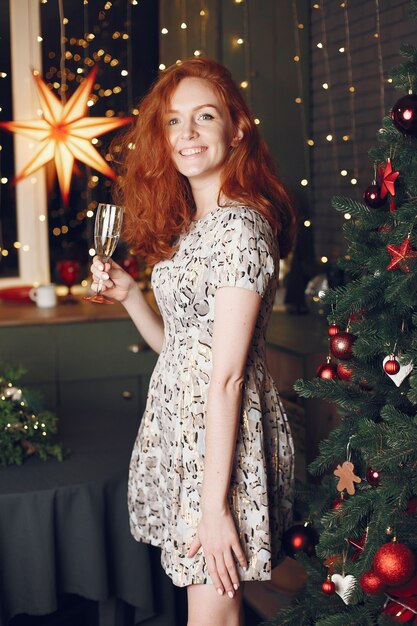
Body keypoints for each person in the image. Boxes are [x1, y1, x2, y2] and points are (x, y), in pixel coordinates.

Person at [90, 57, 296, 626]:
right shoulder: (195, 227)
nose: (187, 134)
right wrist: (133, 297)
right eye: (174, 121)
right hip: (187, 435)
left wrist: (214, 506)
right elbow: (185, 355)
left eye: (204, 117)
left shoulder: (240, 227)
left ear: (236, 130)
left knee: (213, 614)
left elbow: (227, 377)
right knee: (202, 607)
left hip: (219, 448)